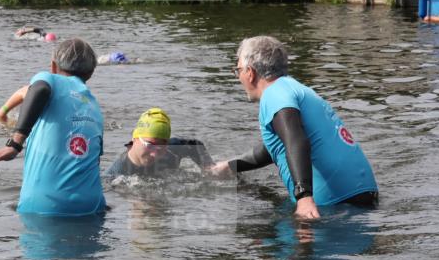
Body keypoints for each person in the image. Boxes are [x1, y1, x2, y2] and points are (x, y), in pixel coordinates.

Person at [209, 36, 378, 220]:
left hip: (333, 207)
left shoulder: (274, 95)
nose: (239, 76)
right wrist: (231, 166)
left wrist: (303, 198)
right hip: (365, 196)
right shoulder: (294, 88)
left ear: (250, 72)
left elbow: (295, 140)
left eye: (238, 70)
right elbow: (275, 146)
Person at [0, 38, 105, 217]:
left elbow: (38, 89)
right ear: (91, 73)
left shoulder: (49, 80)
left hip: (45, 206)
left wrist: (14, 145)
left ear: (53, 66)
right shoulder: (94, 106)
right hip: (92, 205)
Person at [106, 108, 213, 179]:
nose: (155, 154)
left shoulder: (172, 149)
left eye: (162, 146)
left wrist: (208, 167)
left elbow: (194, 145)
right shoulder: (116, 174)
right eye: (150, 145)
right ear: (135, 138)